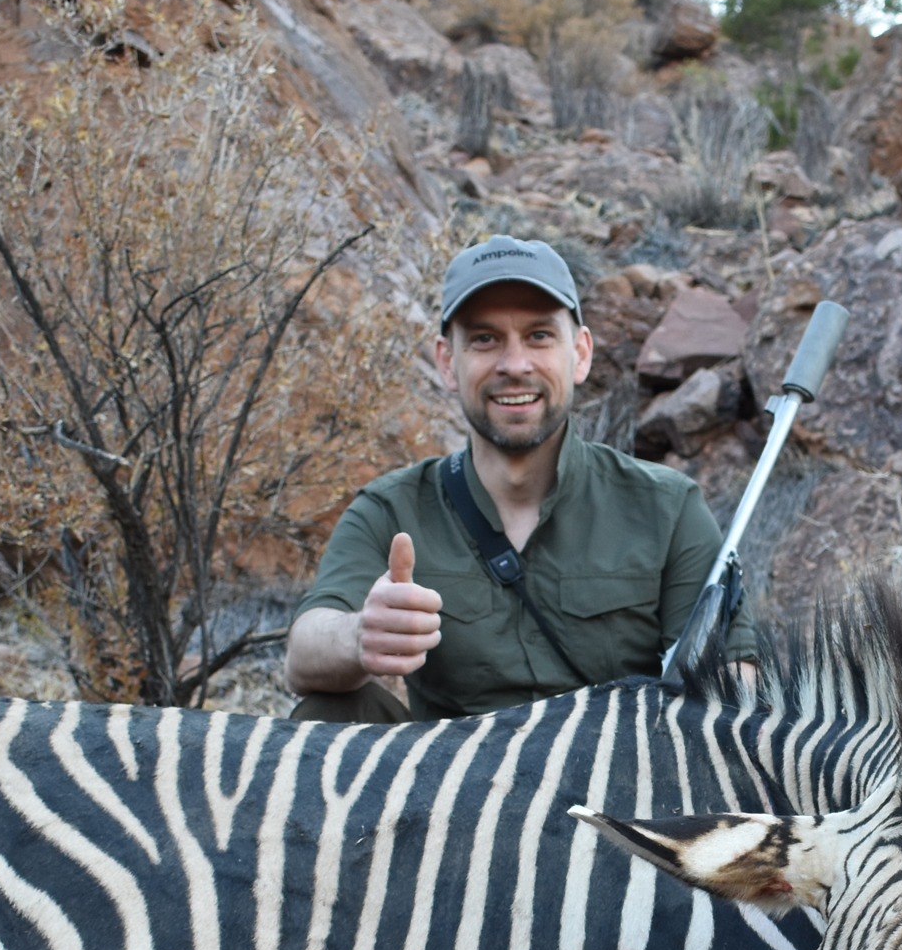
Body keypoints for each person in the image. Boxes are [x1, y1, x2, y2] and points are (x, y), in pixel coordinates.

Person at [286, 235, 749, 722]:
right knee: (327, 710)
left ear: (581, 354)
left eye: (539, 336)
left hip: (618, 787)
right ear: (447, 361)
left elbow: (740, 684)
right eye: (485, 339)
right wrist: (360, 635)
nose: (514, 365)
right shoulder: (391, 509)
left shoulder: (669, 508)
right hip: (446, 788)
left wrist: (715, 682)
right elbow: (304, 654)